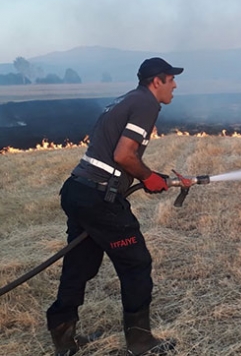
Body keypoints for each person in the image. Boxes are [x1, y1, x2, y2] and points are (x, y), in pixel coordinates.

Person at [46, 57, 183, 356]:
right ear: (156, 81)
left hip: (79, 190)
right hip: (99, 200)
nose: (175, 85)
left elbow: (114, 155)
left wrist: (153, 178)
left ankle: (64, 337)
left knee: (79, 265)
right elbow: (123, 155)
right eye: (171, 79)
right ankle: (141, 342)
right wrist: (147, 177)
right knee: (136, 263)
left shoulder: (127, 100)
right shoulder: (147, 103)